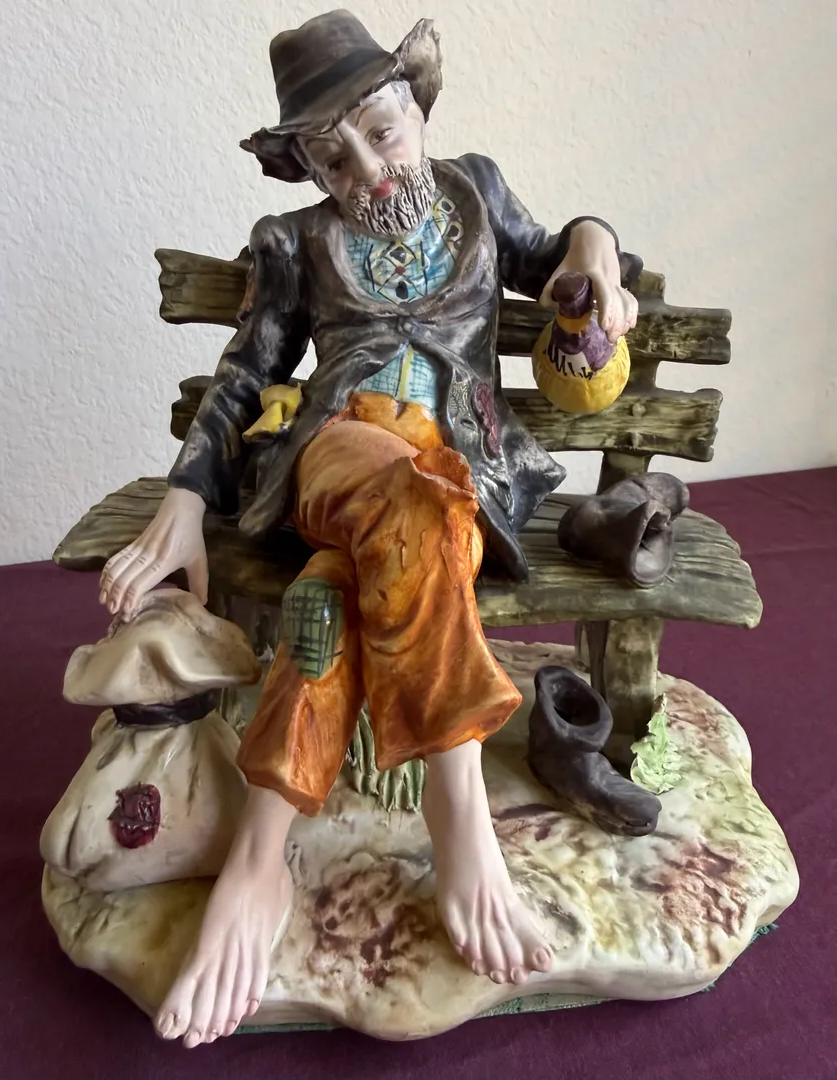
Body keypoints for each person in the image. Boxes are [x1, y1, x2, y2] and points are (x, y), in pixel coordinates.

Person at [99, 11, 640, 1048]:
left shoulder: (476, 192)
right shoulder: (294, 242)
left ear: (418, 110)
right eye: (331, 156)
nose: (366, 170)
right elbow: (246, 375)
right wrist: (185, 499)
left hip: (464, 472)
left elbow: (558, 255)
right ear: (305, 165)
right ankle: (458, 805)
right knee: (403, 500)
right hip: (339, 450)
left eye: (381, 133)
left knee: (335, 592)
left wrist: (597, 248)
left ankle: (258, 859)